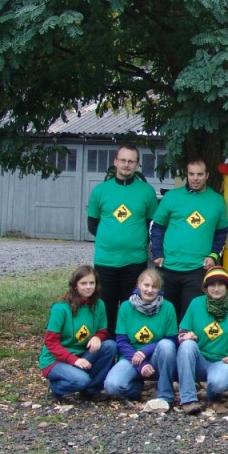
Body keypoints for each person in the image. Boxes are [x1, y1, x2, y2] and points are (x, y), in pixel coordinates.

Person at [86, 143, 158, 335]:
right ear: (115, 161)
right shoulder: (100, 191)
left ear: (137, 165)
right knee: (106, 309)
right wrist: (113, 239)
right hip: (106, 261)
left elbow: (151, 226)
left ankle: (129, 354)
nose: (126, 164)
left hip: (134, 262)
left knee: (132, 309)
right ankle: (107, 351)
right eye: (123, 160)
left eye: (131, 161)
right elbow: (93, 225)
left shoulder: (147, 192)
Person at [150, 158, 228, 321]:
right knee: (166, 315)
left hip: (197, 269)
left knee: (190, 317)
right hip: (168, 267)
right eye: (191, 174)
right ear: (187, 175)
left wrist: (213, 256)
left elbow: (221, 233)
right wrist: (157, 252)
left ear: (207, 175)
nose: (195, 178)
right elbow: (157, 227)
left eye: (200, 174)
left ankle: (187, 345)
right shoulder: (171, 197)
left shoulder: (217, 201)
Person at [175, 267, 228, 415]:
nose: (216, 289)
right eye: (212, 284)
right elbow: (182, 332)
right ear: (205, 288)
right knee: (187, 346)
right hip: (200, 358)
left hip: (223, 361)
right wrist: (186, 336)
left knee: (219, 384)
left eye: (221, 284)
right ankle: (188, 399)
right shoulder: (196, 304)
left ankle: (212, 397)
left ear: (226, 286)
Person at [39, 265, 118, 400]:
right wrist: (73, 360)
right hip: (56, 359)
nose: (88, 287)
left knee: (110, 346)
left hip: (82, 355)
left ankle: (90, 391)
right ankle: (56, 388)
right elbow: (50, 342)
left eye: (92, 283)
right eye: (83, 283)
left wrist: (98, 337)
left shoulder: (99, 305)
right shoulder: (60, 309)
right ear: (75, 285)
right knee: (81, 380)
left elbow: (102, 330)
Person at [103, 268, 179, 403]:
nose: (149, 290)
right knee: (111, 386)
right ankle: (136, 387)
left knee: (167, 345)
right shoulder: (126, 307)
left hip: (157, 356)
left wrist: (145, 351)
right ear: (138, 285)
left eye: (154, 287)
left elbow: (172, 339)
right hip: (131, 357)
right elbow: (121, 341)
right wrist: (141, 364)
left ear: (159, 288)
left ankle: (165, 395)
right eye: (146, 285)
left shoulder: (168, 307)